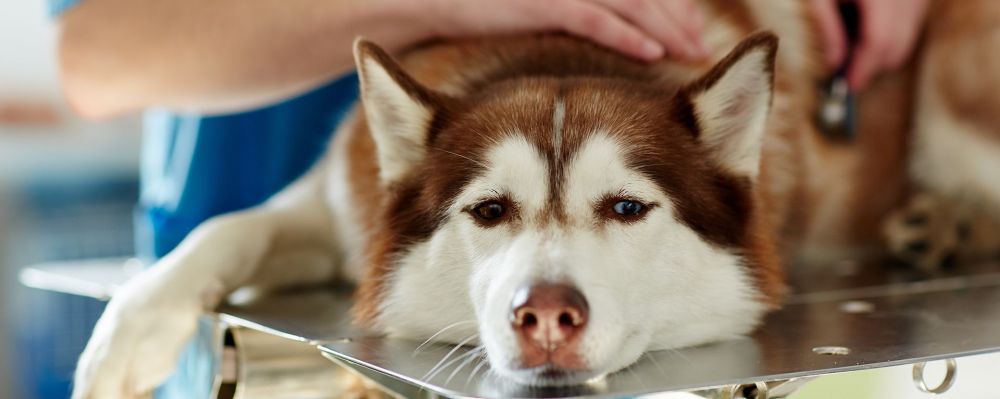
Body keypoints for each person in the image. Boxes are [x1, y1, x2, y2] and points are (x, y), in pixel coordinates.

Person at [51, 0, 929, 397]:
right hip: (270, 335)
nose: (547, 300)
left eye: (622, 209)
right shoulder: (382, 166)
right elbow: (95, 51)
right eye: (492, 214)